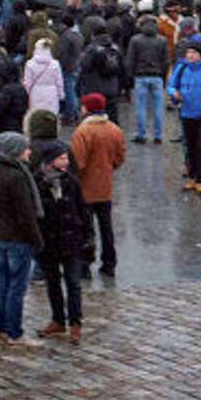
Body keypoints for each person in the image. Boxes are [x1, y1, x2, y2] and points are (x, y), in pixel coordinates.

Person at [0, 132, 43, 344]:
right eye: (25, 148)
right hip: (17, 238)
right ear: (15, 152)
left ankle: (1, 329)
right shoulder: (17, 177)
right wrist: (37, 239)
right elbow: (26, 214)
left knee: (2, 284)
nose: (29, 151)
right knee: (16, 288)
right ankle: (14, 332)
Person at [33, 139, 91, 343]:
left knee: (73, 282)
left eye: (66, 157)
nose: (66, 161)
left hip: (71, 239)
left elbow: (83, 211)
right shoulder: (38, 183)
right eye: (62, 158)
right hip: (49, 241)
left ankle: (76, 322)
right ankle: (58, 319)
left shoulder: (71, 181)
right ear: (50, 161)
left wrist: (88, 238)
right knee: (53, 282)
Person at [69, 93, 125, 272]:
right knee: (106, 226)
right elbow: (119, 157)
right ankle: (109, 262)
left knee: (85, 227)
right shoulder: (114, 129)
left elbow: (77, 162)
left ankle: (85, 263)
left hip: (85, 188)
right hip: (105, 186)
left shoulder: (83, 131)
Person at [124, 15, 169, 143]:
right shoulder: (162, 40)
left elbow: (130, 60)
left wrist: (131, 76)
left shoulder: (135, 40)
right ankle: (158, 135)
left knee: (141, 107)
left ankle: (141, 134)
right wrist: (164, 77)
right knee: (158, 107)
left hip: (141, 76)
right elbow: (165, 61)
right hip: (157, 76)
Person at [171, 37, 201, 193]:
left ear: (200, 54)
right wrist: (175, 94)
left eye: (193, 53)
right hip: (186, 112)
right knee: (190, 147)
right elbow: (172, 85)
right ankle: (192, 177)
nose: (190, 56)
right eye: (188, 52)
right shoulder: (182, 68)